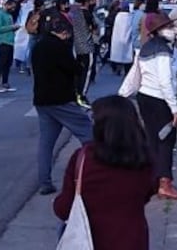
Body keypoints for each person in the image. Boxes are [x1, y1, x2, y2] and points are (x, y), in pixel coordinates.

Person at [53, 96, 157, 250]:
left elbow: (64, 209)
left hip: (91, 241)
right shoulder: (144, 158)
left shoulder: (83, 158)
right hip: (133, 240)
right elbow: (147, 193)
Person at [31, 0, 93, 196]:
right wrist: (79, 65)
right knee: (89, 134)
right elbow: (74, 68)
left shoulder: (38, 46)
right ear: (63, 31)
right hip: (61, 99)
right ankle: (94, 174)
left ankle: (45, 182)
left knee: (46, 144)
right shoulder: (59, 47)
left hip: (42, 100)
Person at [128, 13, 177, 200]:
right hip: (160, 99)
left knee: (153, 139)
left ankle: (153, 180)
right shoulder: (163, 51)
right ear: (159, 31)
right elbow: (165, 82)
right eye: (169, 27)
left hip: (145, 97)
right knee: (166, 142)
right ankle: (165, 183)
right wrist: (175, 109)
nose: (173, 30)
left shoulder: (146, 48)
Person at [0, 0, 19, 93]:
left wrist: (14, 28)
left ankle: (5, 82)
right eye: (12, 7)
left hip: (10, 41)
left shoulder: (9, 15)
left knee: (8, 63)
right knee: (1, 63)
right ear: (7, 5)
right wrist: (12, 27)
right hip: (3, 41)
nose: (13, 9)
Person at [108, 0, 133, 76]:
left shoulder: (118, 16)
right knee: (127, 56)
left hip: (117, 38)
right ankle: (126, 71)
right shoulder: (130, 17)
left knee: (118, 55)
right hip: (127, 39)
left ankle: (117, 69)